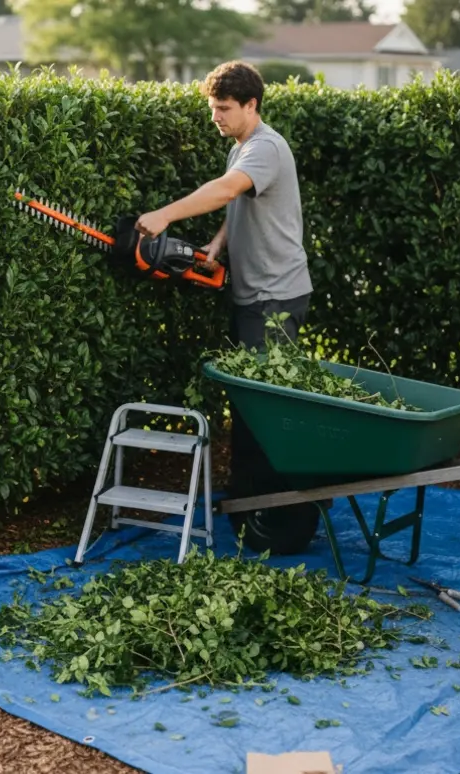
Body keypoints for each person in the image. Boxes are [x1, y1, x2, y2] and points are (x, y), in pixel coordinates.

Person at [134, 60, 319, 554]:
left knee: (266, 413)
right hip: (255, 294)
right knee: (250, 405)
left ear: (251, 105)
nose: (215, 116)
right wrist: (219, 245)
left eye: (224, 108)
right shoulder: (244, 147)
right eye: (212, 107)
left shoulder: (264, 147)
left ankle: (281, 517)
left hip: (274, 299)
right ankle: (248, 503)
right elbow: (242, 204)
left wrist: (165, 214)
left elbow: (225, 190)